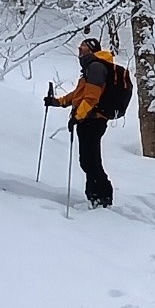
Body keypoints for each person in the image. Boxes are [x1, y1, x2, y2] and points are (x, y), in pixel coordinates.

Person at [44, 37, 116, 208]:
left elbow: (91, 98)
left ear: (91, 50)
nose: (79, 51)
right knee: (88, 159)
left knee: (90, 160)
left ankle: (101, 196)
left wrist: (78, 116)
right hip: (89, 119)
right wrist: (57, 102)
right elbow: (79, 95)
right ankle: (96, 195)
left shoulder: (96, 67)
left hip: (92, 120)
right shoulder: (91, 68)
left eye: (82, 48)